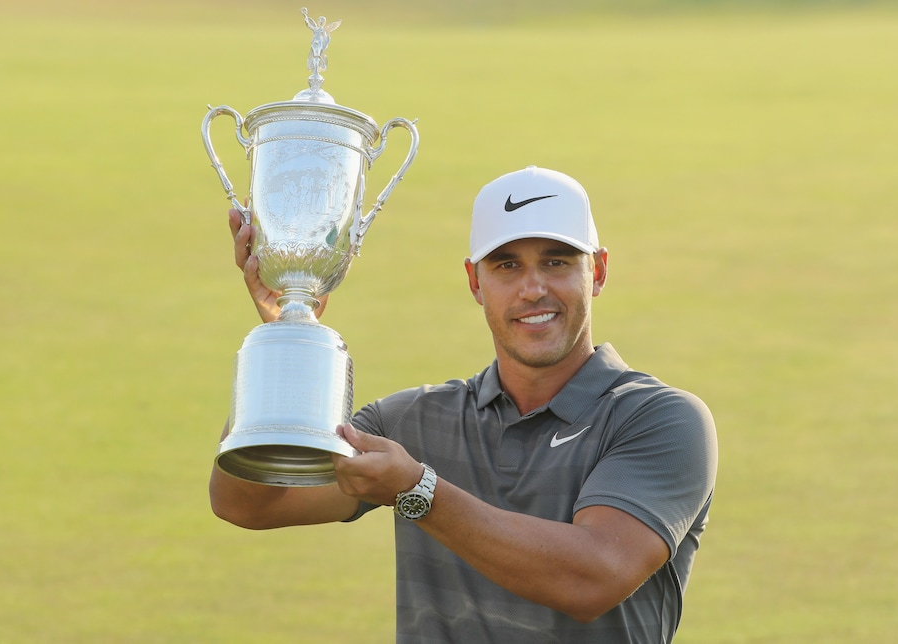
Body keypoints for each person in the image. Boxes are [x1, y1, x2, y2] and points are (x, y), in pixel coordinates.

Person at [210, 166, 718, 643]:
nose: (533, 288)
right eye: (507, 265)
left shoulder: (661, 420)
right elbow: (249, 502)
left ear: (599, 271)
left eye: (557, 262)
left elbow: (591, 578)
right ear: (476, 282)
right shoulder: (411, 423)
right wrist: (286, 337)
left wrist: (419, 491)